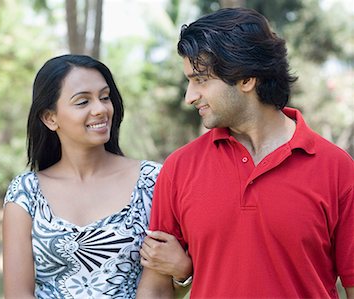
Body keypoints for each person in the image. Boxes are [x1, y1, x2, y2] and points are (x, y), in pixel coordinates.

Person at [136, 7, 354, 299]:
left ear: (247, 79)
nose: (189, 96)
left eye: (200, 80)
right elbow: (156, 288)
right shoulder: (179, 168)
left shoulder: (337, 168)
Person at [2, 54, 192, 299]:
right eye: (83, 102)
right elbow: (17, 294)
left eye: (104, 97)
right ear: (50, 118)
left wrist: (183, 272)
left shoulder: (152, 181)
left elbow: (164, 284)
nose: (101, 109)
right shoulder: (25, 193)